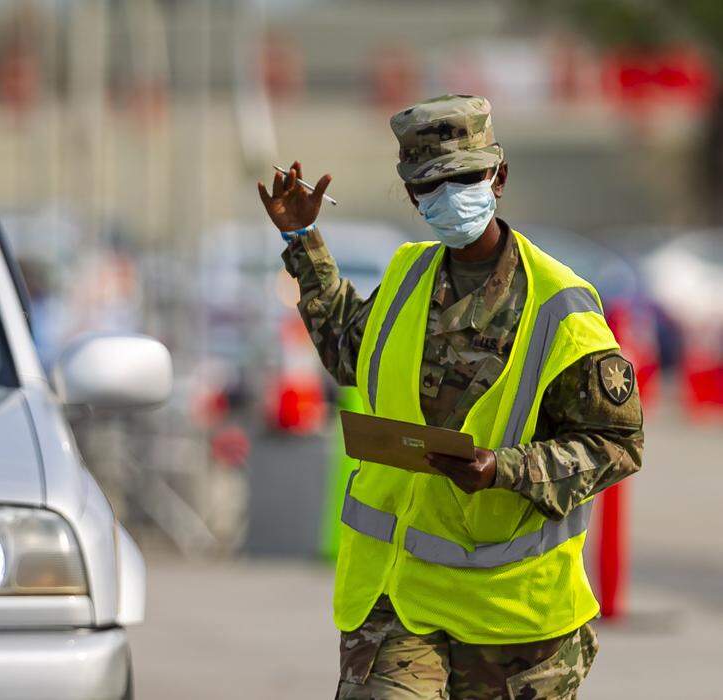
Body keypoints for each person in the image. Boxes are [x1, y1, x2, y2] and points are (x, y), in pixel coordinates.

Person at [257, 95, 644, 699]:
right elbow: (348, 351)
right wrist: (303, 239)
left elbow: (616, 443)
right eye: (430, 184)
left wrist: (503, 469)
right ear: (413, 196)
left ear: (499, 177)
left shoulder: (559, 304)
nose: (449, 193)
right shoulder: (409, 274)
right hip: (398, 602)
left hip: (515, 621)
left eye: (465, 176)